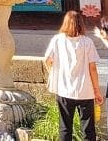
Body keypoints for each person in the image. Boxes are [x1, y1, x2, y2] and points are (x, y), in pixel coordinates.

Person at [44, 10, 102, 141]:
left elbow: (47, 60)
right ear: (81, 24)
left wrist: (54, 74)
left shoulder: (57, 40)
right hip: (85, 90)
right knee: (88, 128)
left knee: (65, 127)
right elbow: (92, 68)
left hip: (64, 89)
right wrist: (97, 91)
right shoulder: (87, 42)